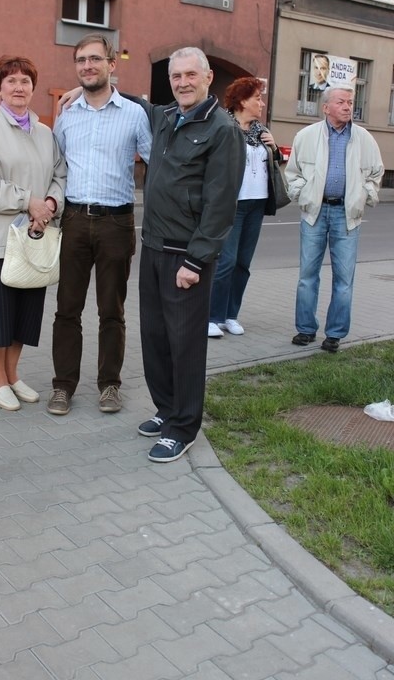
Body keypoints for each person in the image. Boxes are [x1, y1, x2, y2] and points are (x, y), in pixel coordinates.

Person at [135, 48, 245, 462]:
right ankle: (166, 411)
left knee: (184, 344)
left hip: (187, 257)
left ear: (208, 76)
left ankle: (184, 427)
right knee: (156, 338)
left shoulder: (222, 129)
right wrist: (88, 85)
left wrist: (196, 262)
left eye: (190, 75)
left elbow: (220, 206)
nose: (182, 82)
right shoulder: (167, 117)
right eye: (175, 75)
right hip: (153, 248)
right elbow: (136, 103)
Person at [47, 33, 152, 417]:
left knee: (112, 311)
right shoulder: (67, 115)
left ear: (112, 64)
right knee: (66, 310)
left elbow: (156, 160)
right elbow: (55, 167)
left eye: (95, 59)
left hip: (116, 223)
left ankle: (109, 385)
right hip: (73, 220)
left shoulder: (134, 114)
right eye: (80, 61)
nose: (87, 66)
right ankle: (63, 387)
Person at [0, 55, 66, 411]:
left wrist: (51, 206)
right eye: (11, 81)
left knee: (26, 312)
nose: (19, 87)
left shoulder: (45, 133)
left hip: (36, 234)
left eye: (25, 81)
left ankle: (12, 374)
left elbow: (59, 175)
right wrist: (30, 203)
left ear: (33, 87)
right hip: (1, 238)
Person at [286, 86, 383, 353]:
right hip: (314, 212)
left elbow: (376, 174)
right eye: (341, 102)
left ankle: (335, 334)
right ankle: (305, 329)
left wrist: (363, 197)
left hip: (346, 215)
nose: (347, 107)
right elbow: (292, 173)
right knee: (307, 276)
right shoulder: (305, 136)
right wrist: (303, 195)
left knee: (344, 278)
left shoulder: (363, 138)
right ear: (325, 107)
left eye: (350, 102)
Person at [208, 77, 284, 338]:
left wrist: (274, 148)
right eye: (257, 98)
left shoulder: (260, 130)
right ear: (242, 101)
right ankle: (212, 316)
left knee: (243, 263)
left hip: (257, 203)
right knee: (226, 261)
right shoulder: (224, 126)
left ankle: (231, 315)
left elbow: (273, 162)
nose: (261, 103)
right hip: (234, 203)